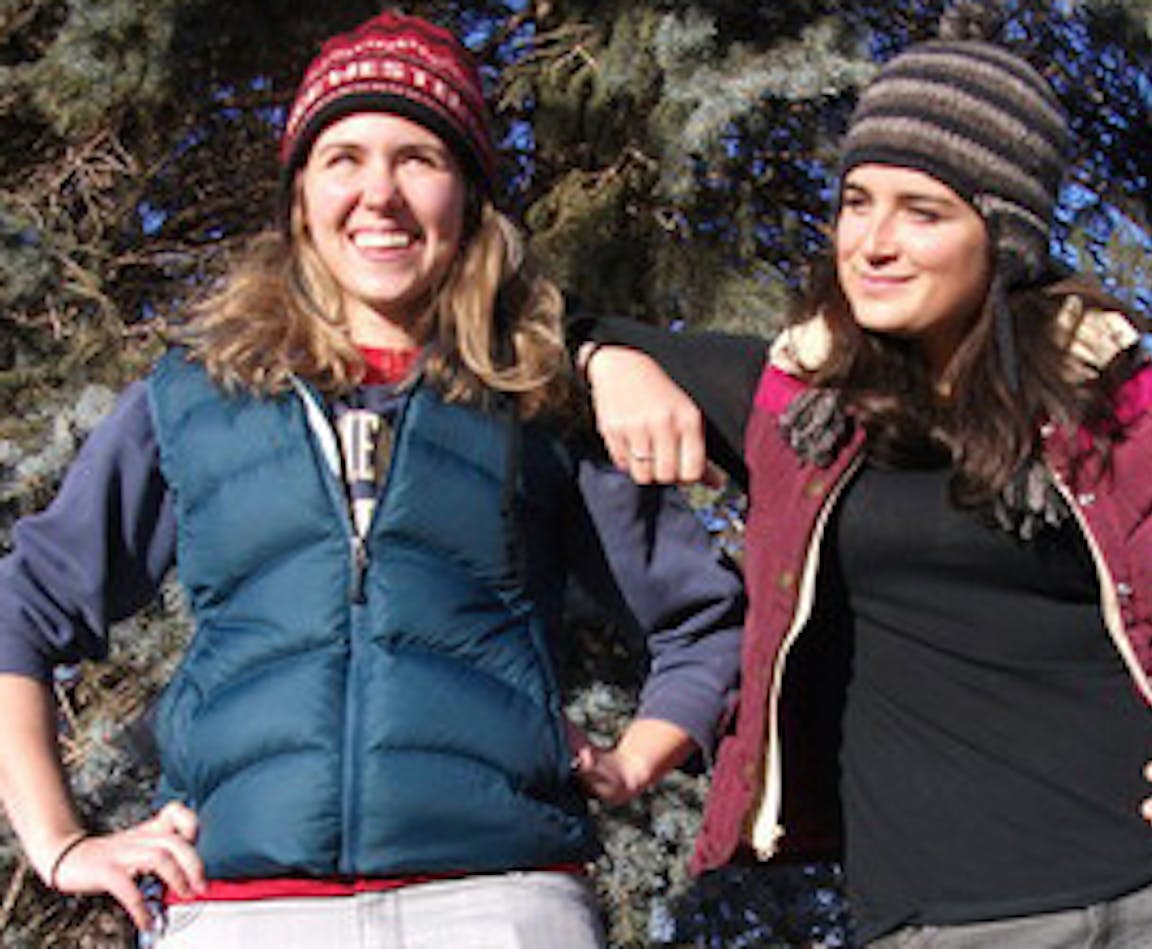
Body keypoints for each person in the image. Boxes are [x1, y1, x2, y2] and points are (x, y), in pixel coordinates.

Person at [575, 37, 1152, 947]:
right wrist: (607, 359)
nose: (872, 243)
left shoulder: (1117, 403)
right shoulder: (789, 403)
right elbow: (541, 327)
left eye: (922, 212)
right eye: (856, 203)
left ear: (1001, 238)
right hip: (941, 920)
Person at [0, 12, 743, 948]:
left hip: (497, 905)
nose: (378, 195)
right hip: (240, 912)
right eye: (343, 157)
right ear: (300, 195)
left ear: (469, 197)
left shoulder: (541, 402)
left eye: (419, 157)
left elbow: (707, 619)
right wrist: (60, 843)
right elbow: (21, 606)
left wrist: (638, 757)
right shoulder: (192, 398)